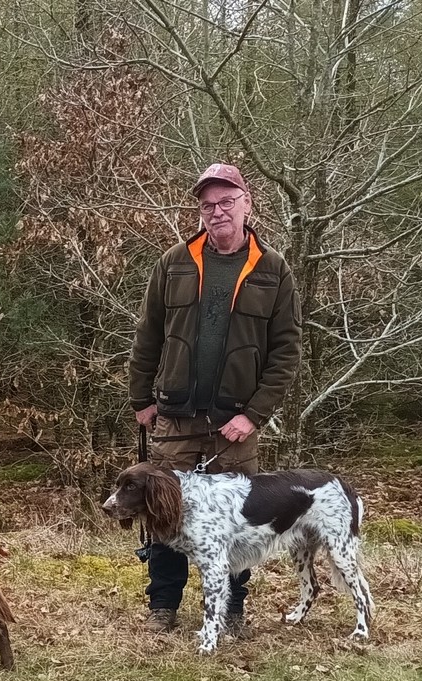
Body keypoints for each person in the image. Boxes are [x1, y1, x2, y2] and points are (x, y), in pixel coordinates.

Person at [127, 162, 302, 636]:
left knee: (236, 524)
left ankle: (233, 609)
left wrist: (254, 414)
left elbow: (286, 351)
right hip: (175, 418)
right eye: (208, 204)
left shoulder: (273, 269)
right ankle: (163, 605)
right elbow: (148, 336)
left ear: (247, 203)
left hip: (234, 426)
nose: (218, 211)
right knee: (164, 512)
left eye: (227, 201)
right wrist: (141, 398)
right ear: (200, 211)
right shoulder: (174, 262)